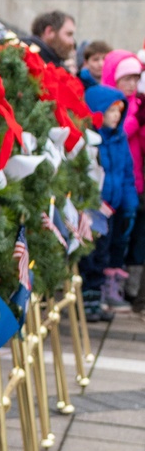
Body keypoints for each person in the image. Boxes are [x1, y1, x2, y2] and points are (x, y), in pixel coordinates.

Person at [80, 84, 140, 317]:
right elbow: (86, 175)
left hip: (112, 209)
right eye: (112, 111)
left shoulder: (120, 139)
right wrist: (92, 201)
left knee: (104, 254)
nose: (116, 116)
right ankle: (88, 299)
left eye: (119, 111)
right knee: (90, 255)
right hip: (94, 208)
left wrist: (129, 204)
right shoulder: (92, 140)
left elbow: (126, 174)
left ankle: (97, 297)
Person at [100, 50, 145, 308]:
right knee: (105, 242)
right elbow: (121, 131)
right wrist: (135, 119)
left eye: (135, 79)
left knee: (123, 239)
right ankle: (100, 289)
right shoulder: (110, 104)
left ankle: (118, 287)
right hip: (108, 186)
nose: (131, 84)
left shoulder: (137, 105)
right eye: (126, 78)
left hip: (130, 182)